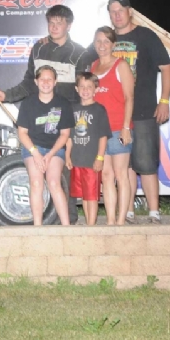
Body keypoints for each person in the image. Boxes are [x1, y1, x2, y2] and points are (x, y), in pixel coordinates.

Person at [0, 5, 90, 224]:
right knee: (41, 178)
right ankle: (45, 223)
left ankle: (69, 220)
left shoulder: (81, 53)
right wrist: (6, 95)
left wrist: (80, 119)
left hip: (68, 119)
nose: (54, 27)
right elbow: (29, 82)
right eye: (51, 23)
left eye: (59, 22)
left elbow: (85, 88)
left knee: (67, 170)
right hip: (41, 121)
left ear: (69, 25)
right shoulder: (38, 48)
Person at [106, 0, 170, 224]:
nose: (117, 15)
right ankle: (129, 211)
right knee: (125, 166)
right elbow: (87, 59)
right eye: (112, 11)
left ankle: (154, 212)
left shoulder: (146, 36)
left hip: (144, 111)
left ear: (129, 11)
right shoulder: (107, 40)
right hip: (117, 114)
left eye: (120, 10)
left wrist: (163, 101)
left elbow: (166, 68)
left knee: (146, 164)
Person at [17, 65, 74, 226]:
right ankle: (37, 227)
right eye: (42, 79)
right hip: (33, 148)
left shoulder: (63, 104)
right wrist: (35, 154)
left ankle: (66, 226)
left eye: (50, 79)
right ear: (36, 81)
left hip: (55, 149)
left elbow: (65, 134)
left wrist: (49, 155)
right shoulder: (28, 103)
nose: (46, 82)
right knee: (36, 182)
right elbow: (22, 133)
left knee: (54, 182)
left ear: (55, 82)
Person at [91, 26, 135, 225]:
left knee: (121, 174)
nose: (102, 45)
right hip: (100, 132)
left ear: (113, 45)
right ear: (94, 43)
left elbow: (129, 97)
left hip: (118, 128)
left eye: (106, 41)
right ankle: (110, 221)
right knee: (106, 176)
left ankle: (121, 220)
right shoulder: (92, 67)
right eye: (98, 41)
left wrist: (126, 127)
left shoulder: (121, 65)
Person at [66, 72, 112, 226]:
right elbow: (70, 136)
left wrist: (100, 157)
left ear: (96, 90)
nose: (85, 90)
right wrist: (67, 156)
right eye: (82, 87)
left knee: (92, 196)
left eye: (89, 87)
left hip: (91, 161)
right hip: (77, 159)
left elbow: (103, 136)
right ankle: (88, 223)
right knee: (84, 196)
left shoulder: (99, 110)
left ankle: (91, 226)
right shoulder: (72, 109)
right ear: (76, 89)